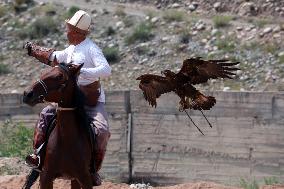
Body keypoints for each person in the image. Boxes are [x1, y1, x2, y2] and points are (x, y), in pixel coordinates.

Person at [23, 10, 111, 186]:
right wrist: (34, 51)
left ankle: (92, 170)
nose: (66, 31)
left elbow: (106, 70)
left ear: (77, 32)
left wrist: (80, 71)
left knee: (101, 131)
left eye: (69, 29)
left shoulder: (92, 49)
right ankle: (38, 157)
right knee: (45, 115)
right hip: (69, 100)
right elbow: (54, 57)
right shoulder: (71, 49)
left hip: (90, 102)